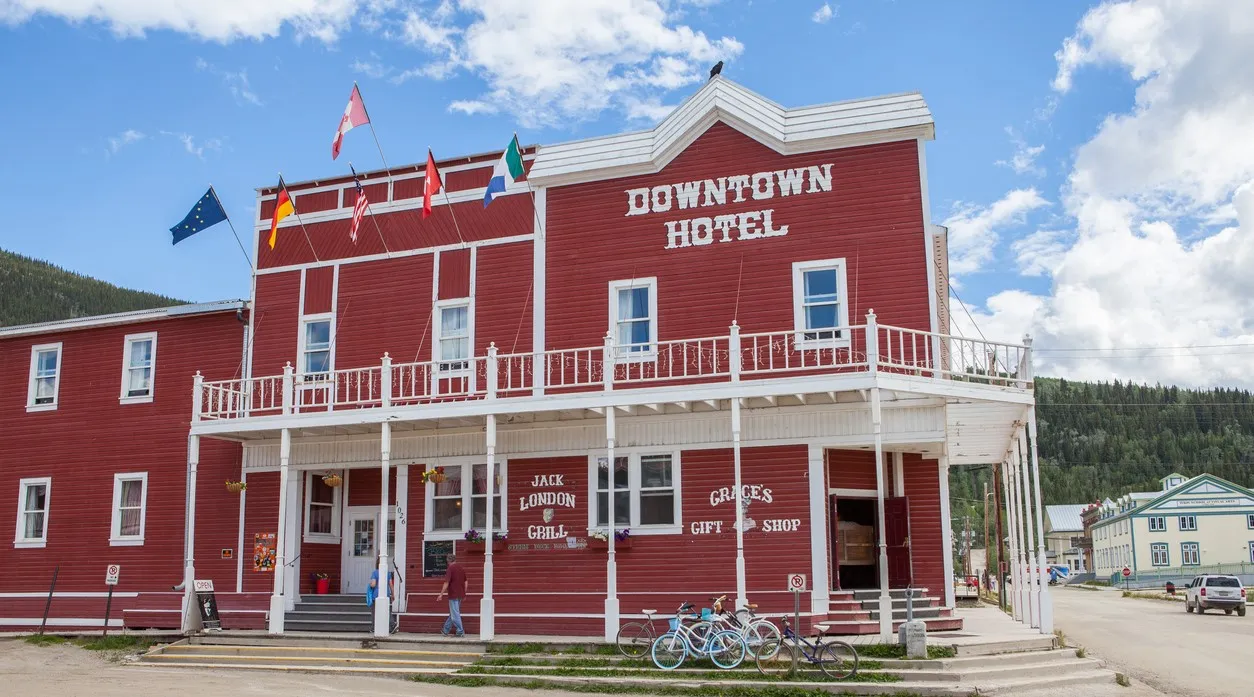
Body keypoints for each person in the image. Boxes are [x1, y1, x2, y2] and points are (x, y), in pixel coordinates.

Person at [436, 553, 468, 637]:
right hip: (461, 594)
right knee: (454, 613)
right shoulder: (461, 568)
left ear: (448, 561)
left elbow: (446, 582)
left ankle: (460, 631)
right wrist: (464, 593)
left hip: (453, 594)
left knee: (455, 614)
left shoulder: (450, 568)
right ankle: (445, 630)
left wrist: (441, 594)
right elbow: (466, 581)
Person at [366, 556, 397, 633]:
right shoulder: (388, 573)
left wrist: (369, 584)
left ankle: (374, 627)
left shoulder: (375, 573)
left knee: (374, 612)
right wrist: (393, 595)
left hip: (376, 595)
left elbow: (373, 584)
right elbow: (391, 585)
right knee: (387, 611)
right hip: (386, 594)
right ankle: (392, 625)